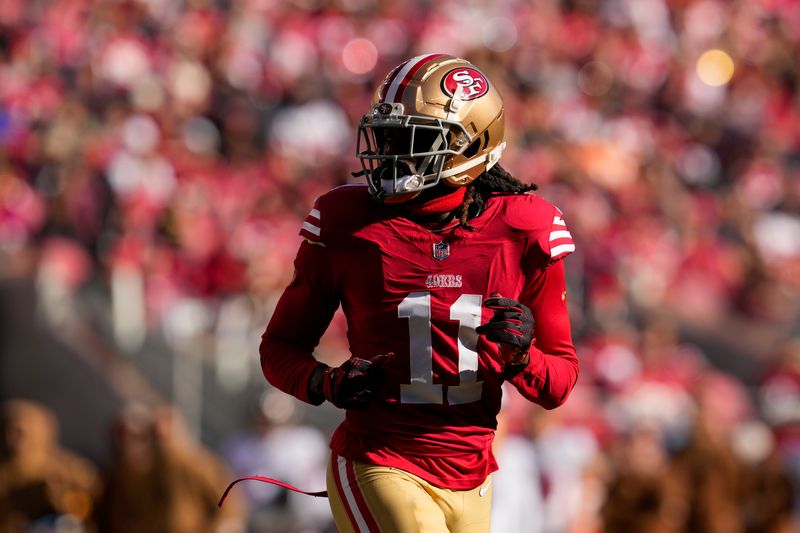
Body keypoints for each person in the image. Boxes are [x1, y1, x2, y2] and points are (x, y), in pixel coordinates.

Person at [260, 54, 579, 533]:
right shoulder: (349, 222)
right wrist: (326, 382)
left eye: (412, 140)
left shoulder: (523, 227)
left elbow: (559, 381)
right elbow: (279, 348)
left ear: (470, 144)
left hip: (474, 474)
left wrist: (520, 358)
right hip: (380, 459)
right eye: (385, 136)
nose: (389, 154)